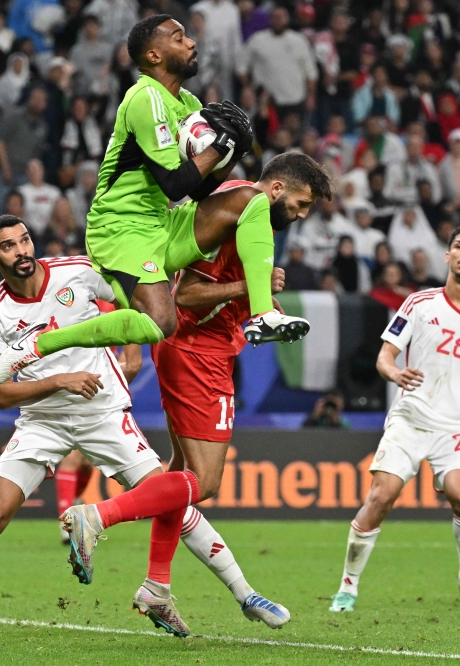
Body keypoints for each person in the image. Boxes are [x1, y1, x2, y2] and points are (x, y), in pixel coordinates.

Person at [0, 214, 279, 643]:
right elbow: (2, 394)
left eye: (25, 240)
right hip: (42, 420)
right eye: (8, 246)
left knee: (170, 497)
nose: (22, 251)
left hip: (102, 411)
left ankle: (246, 594)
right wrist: (60, 380)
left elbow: (135, 299)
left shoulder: (76, 273)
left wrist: (132, 347)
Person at [59, 155, 333, 619]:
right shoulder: (236, 209)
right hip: (196, 352)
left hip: (206, 349)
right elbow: (183, 294)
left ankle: (156, 586)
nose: (302, 215)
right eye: (302, 204)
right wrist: (249, 286)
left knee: (179, 473)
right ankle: (95, 517)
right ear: (279, 187)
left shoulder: (248, 210)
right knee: (203, 481)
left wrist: (255, 287)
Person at [0, 16, 309, 384]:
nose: (191, 43)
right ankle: (39, 344)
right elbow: (176, 184)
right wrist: (220, 146)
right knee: (161, 321)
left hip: (162, 224)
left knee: (250, 198)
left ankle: (263, 315)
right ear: (155, 55)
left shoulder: (188, 102)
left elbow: (201, 189)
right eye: (179, 38)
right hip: (120, 228)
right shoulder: (144, 98)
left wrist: (233, 153)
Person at [328, 225, 460, 614]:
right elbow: (384, 356)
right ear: (447, 256)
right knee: (381, 497)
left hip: (456, 428)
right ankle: (348, 586)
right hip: (411, 419)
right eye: (458, 246)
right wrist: (394, 373)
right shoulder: (419, 303)